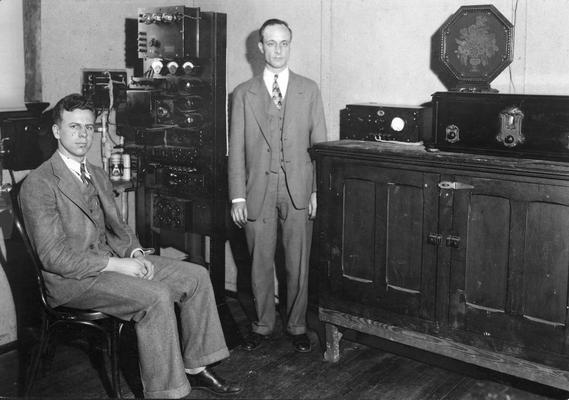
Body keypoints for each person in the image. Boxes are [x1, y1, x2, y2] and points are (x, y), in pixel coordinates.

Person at [19, 94, 242, 399]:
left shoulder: (96, 173)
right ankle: (166, 392)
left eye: (89, 127)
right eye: (74, 127)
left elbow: (118, 228)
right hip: (73, 282)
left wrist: (134, 252)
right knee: (157, 296)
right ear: (57, 131)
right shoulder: (39, 183)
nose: (83, 135)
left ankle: (197, 368)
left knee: (196, 277)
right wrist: (119, 265)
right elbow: (54, 258)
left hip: (109, 264)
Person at [228, 18, 327, 353]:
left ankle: (297, 325)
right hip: (257, 191)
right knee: (258, 262)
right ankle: (262, 324)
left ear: (290, 45)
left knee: (297, 262)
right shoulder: (243, 94)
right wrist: (237, 196)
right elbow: (236, 150)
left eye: (284, 43)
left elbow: (320, 147)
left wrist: (317, 191)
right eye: (271, 43)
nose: (278, 50)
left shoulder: (309, 89)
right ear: (260, 48)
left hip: (297, 190)